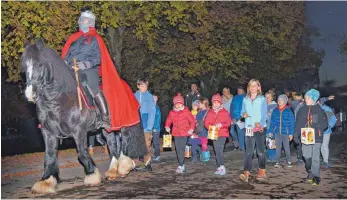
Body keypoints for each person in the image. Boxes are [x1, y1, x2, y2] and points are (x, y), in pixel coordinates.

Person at [62, 10, 140, 132]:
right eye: (82, 20)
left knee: (92, 87)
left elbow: (98, 58)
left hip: (89, 70)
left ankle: (105, 117)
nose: (84, 22)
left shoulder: (95, 39)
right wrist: (65, 63)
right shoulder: (73, 38)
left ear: (91, 23)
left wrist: (84, 64)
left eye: (87, 20)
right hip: (71, 70)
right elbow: (66, 54)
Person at [294, 89, 328, 186]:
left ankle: (316, 177)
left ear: (314, 98)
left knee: (315, 157)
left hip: (317, 136)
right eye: (305, 97)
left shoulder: (320, 110)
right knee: (306, 156)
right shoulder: (302, 109)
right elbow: (298, 123)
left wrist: (318, 127)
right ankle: (310, 172)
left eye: (308, 97)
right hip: (305, 137)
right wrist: (296, 134)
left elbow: (325, 124)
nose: (306, 99)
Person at [239, 79, 267, 183]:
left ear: (259, 87)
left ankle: (262, 170)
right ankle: (246, 172)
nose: (253, 87)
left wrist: (260, 123)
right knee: (249, 151)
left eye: (255, 86)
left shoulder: (262, 99)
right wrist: (244, 115)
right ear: (248, 87)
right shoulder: (245, 99)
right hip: (249, 128)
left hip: (259, 128)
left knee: (260, 151)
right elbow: (242, 112)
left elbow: (264, 114)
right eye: (251, 85)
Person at [165, 94, 196, 173]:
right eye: (176, 103)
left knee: (181, 149)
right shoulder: (172, 112)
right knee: (178, 149)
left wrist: (191, 129)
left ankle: (181, 164)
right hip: (175, 133)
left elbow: (192, 121)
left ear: (182, 103)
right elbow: (169, 120)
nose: (178, 105)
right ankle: (181, 164)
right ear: (174, 104)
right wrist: (167, 126)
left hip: (184, 133)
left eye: (179, 103)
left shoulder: (186, 112)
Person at [205, 94, 232, 175]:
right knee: (217, 150)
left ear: (220, 103)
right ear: (212, 103)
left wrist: (221, 125)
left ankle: (222, 166)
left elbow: (228, 123)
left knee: (219, 150)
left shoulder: (225, 112)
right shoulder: (210, 112)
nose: (216, 104)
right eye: (214, 102)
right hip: (213, 133)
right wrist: (211, 126)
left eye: (217, 102)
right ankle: (219, 166)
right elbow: (206, 123)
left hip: (222, 133)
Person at [267, 95, 295, 168]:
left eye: (281, 100)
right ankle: (277, 162)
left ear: (285, 101)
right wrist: (270, 131)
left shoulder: (288, 111)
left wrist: (291, 133)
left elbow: (292, 123)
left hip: (286, 133)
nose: (279, 101)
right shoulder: (275, 110)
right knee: (277, 148)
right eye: (278, 100)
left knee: (286, 147)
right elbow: (272, 122)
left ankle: (289, 161)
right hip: (277, 132)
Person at [134, 78, 156, 165]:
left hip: (146, 124)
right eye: (142, 86)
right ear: (138, 86)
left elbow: (152, 111)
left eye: (145, 86)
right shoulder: (134, 95)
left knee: (146, 144)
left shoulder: (149, 96)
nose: (144, 88)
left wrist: (149, 126)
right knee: (137, 144)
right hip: (137, 124)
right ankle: (138, 162)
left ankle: (147, 162)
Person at [319, 102, 337, 169]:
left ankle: (325, 161)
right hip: (318, 131)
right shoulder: (314, 108)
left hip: (326, 131)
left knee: (325, 146)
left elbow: (333, 118)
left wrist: (329, 126)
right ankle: (324, 160)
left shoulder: (326, 108)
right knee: (321, 146)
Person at [230, 86, 246, 151]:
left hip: (241, 117)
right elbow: (231, 108)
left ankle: (242, 147)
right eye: (238, 90)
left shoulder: (245, 98)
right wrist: (232, 117)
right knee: (231, 131)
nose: (239, 91)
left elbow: (246, 108)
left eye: (240, 90)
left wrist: (243, 117)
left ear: (243, 91)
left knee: (240, 132)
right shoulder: (234, 98)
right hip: (234, 117)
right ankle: (237, 143)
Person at [265, 91, 277, 163]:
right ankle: (271, 156)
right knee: (268, 141)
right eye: (265, 97)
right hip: (265, 126)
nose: (266, 99)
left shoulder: (275, 106)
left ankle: (273, 157)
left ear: (272, 98)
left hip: (272, 126)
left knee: (272, 141)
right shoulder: (264, 105)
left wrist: (271, 115)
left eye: (268, 97)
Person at [197, 97, 210, 162]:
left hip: (205, 130)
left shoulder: (208, 112)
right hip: (199, 130)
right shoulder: (199, 111)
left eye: (199, 103)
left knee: (204, 143)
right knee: (199, 142)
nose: (198, 104)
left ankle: (206, 156)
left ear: (203, 103)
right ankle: (203, 153)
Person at [152, 95, 162, 162]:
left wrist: (155, 128)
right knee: (153, 143)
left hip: (156, 129)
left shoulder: (156, 108)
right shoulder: (151, 108)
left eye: (154, 98)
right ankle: (155, 155)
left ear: (156, 99)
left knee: (156, 142)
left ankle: (157, 155)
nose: (153, 100)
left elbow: (158, 119)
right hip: (151, 128)